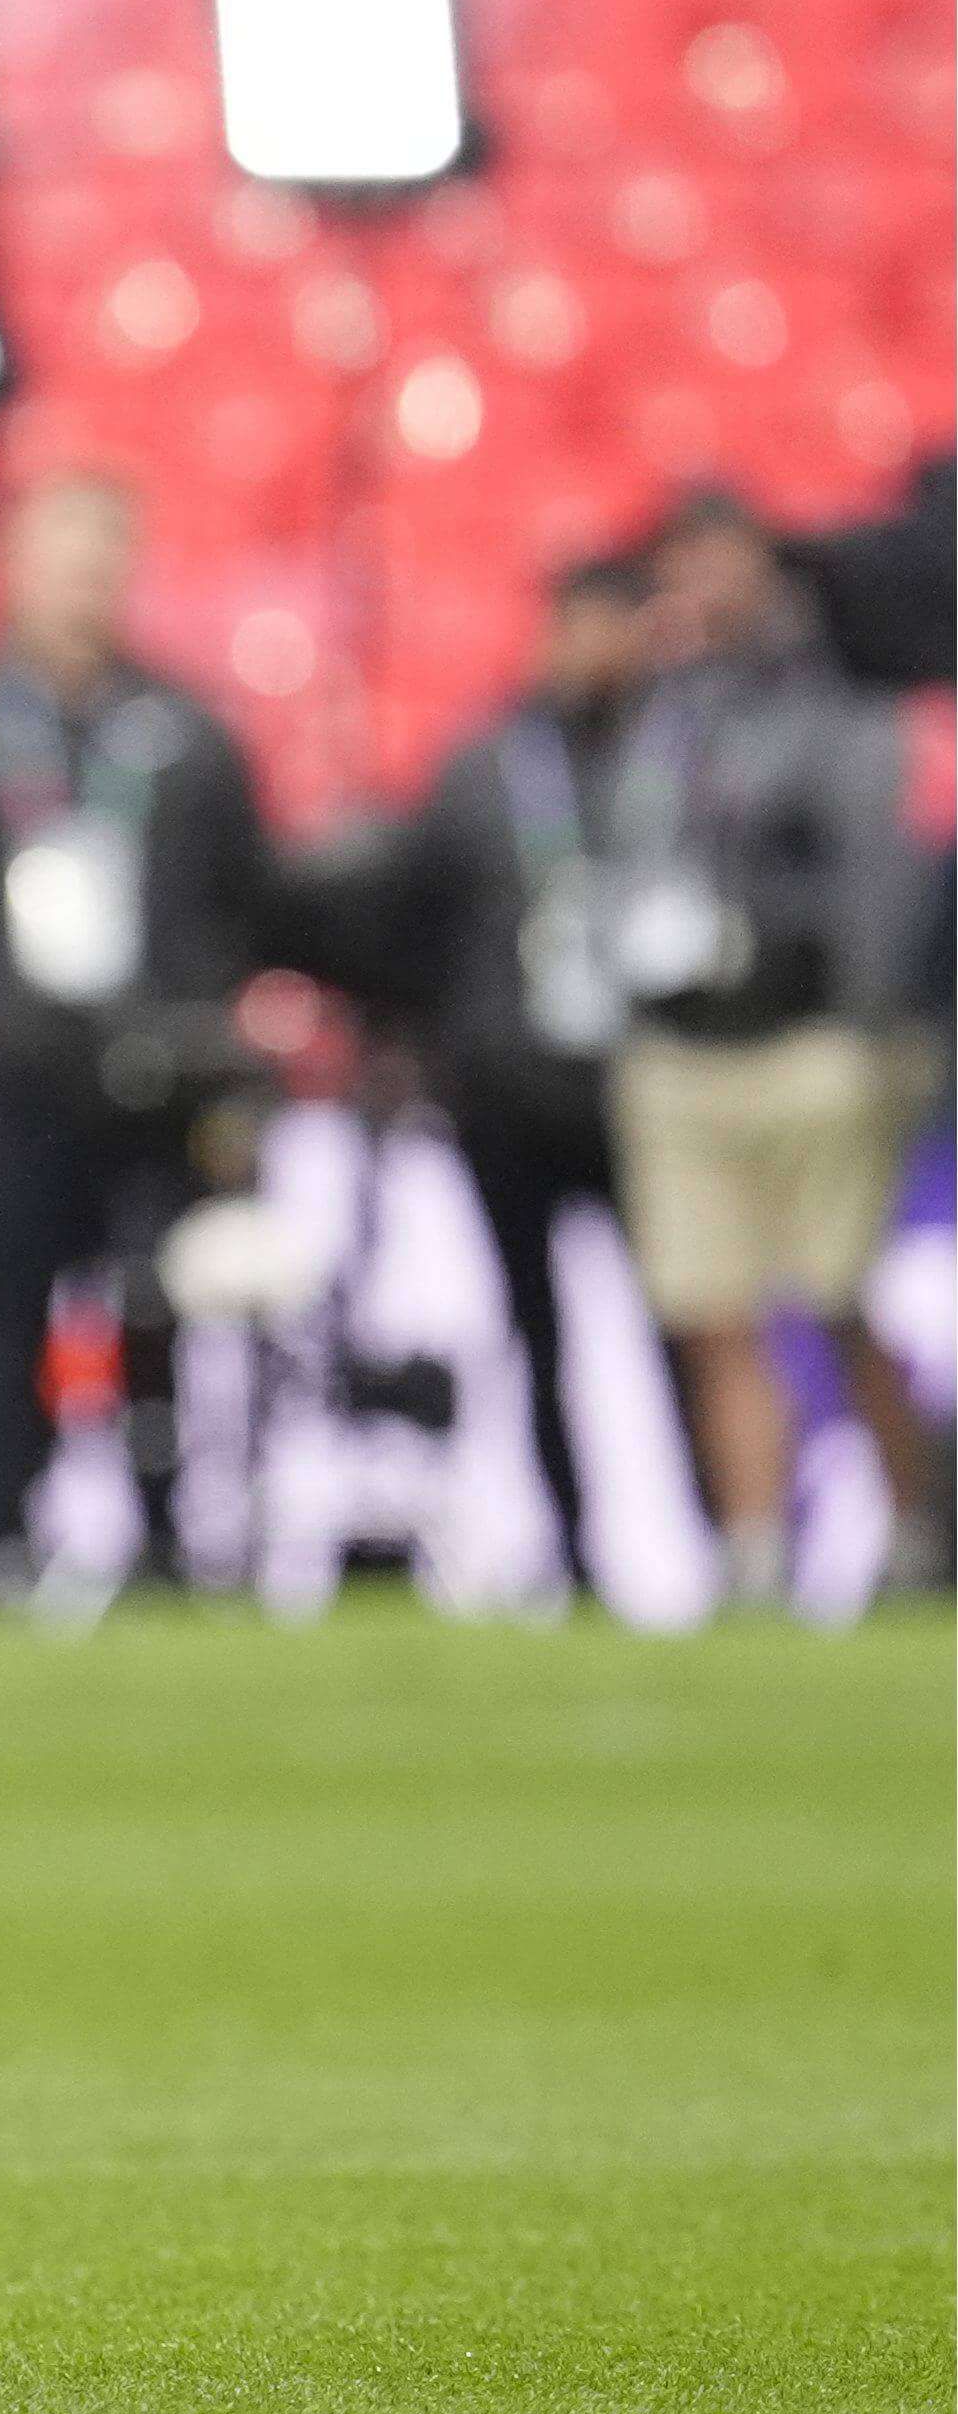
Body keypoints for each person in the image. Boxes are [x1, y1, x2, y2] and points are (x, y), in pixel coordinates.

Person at [0, 472, 271, 1586]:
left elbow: (240, 887)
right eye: (63, 564)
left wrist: (184, 1007)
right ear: (16, 574)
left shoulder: (187, 732)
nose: (82, 590)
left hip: (154, 1072)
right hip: (15, 1070)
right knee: (4, 1304)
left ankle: (165, 1532)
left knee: (157, 1306)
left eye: (101, 565)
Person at [597, 495, 937, 1607]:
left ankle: (914, 1524)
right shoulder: (655, 712)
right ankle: (753, 1547)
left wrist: (863, 1021)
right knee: (714, 1311)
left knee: (836, 1297)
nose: (696, 586)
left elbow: (877, 876)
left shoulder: (830, 700)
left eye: (715, 561)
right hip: (681, 1045)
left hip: (804, 1040)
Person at [386, 558, 655, 1597]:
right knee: (531, 1331)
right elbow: (421, 918)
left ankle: (728, 1541)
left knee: (682, 1320)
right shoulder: (485, 765)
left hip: (644, 1084)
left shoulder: (673, 750)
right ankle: (571, 1547)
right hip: (508, 1086)